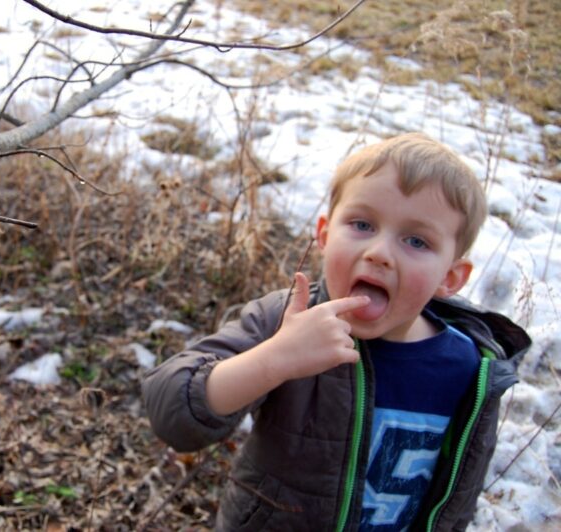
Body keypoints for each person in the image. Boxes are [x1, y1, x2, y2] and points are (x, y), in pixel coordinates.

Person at [142, 133, 531, 531]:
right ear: (325, 235)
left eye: (416, 240)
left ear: (450, 277)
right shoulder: (288, 320)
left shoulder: (471, 369)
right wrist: (274, 358)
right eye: (362, 224)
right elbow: (169, 408)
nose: (379, 252)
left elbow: (455, 499)